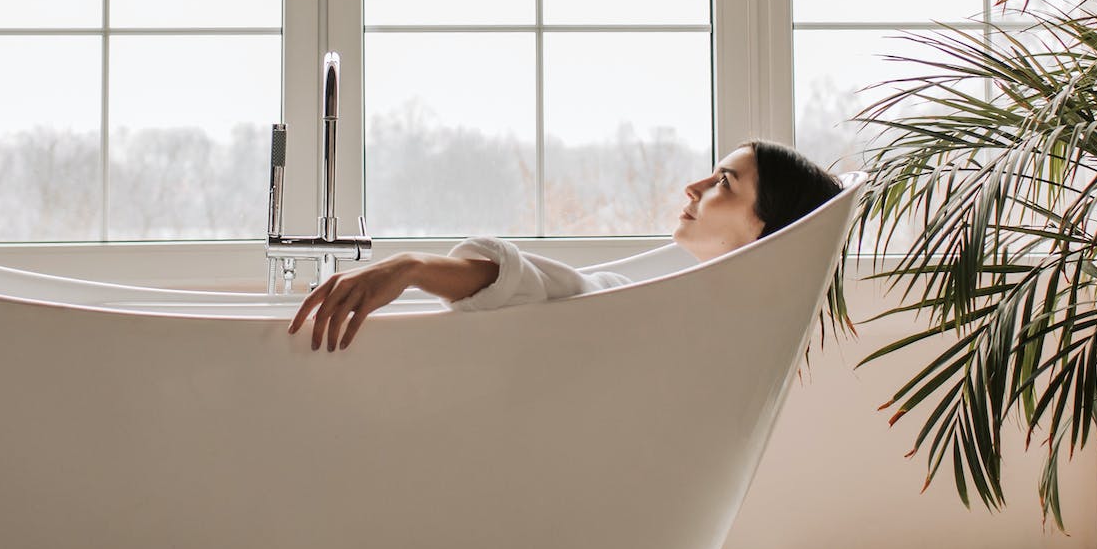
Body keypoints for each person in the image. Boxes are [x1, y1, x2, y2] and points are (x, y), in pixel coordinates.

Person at [287, 139, 843, 352]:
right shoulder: (682, 316)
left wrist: (413, 267)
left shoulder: (683, 326)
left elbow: (561, 296)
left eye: (724, 182)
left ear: (768, 231)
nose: (693, 187)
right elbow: (573, 297)